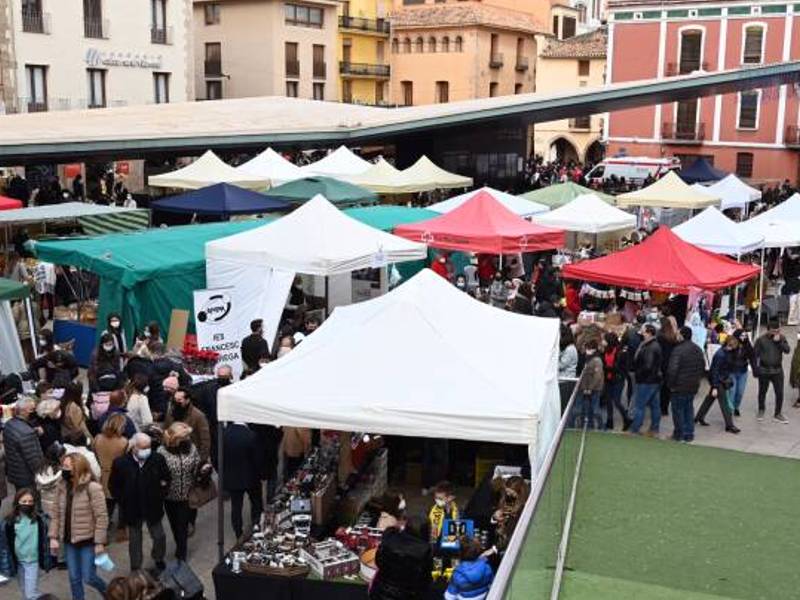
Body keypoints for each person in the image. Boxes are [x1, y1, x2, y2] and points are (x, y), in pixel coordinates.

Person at [49, 452, 109, 600]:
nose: (63, 469)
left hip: (88, 541)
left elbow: (101, 517)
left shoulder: (93, 488)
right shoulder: (61, 485)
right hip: (69, 541)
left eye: (67, 466)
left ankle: (111, 593)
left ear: (78, 468)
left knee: (89, 577)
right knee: (74, 578)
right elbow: (56, 512)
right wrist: (53, 536)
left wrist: (99, 542)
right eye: (63, 466)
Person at [109, 432, 170, 574]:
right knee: (135, 541)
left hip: (153, 507)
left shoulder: (157, 459)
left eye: (148, 447)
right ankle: (136, 567)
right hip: (132, 509)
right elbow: (113, 485)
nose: (146, 450)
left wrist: (160, 494)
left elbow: (166, 478)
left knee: (159, 536)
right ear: (134, 447)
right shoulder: (121, 463)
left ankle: (158, 558)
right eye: (143, 447)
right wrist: (123, 500)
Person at [157, 423, 201, 562]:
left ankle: (181, 555)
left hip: (186, 495)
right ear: (176, 438)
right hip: (169, 496)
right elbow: (157, 473)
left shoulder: (191, 448)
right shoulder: (161, 452)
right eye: (185, 436)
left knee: (182, 527)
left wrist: (202, 470)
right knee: (175, 526)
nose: (188, 438)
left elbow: (197, 464)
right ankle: (180, 546)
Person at [1, 488, 52, 600]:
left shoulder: (39, 520)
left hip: (32, 561)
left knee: (30, 594)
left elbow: (45, 540)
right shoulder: (10, 522)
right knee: (25, 592)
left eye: (30, 501)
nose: (27, 504)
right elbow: (5, 544)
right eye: (24, 501)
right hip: (18, 562)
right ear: (17, 502)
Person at [222, 423, 263, 540]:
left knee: (236, 507)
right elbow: (257, 458)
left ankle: (238, 533)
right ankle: (256, 527)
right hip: (251, 477)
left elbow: (217, 457)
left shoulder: (224, 434)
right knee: (256, 503)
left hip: (232, 477)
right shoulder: (251, 435)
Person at [665, 326, 707, 442]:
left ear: (682, 335)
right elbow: (702, 367)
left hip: (679, 385)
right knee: (688, 409)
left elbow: (672, 369)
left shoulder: (678, 350)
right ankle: (689, 433)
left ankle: (679, 434)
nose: (676, 336)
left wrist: (670, 384)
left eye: (678, 334)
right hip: (692, 385)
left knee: (678, 410)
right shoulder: (697, 349)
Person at [370, 526, 433, 600]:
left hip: (380, 593)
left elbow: (378, 562)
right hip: (404, 595)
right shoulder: (424, 550)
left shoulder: (390, 541)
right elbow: (426, 581)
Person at [696, 336, 740, 434]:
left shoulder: (725, 353)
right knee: (724, 403)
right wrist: (715, 386)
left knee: (709, 399)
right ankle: (729, 425)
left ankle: (698, 417)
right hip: (719, 381)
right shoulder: (721, 354)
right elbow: (715, 371)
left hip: (719, 380)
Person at [93, 414, 129, 530]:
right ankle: (121, 529)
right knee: (123, 505)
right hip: (118, 477)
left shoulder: (97, 438)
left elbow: (95, 455)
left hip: (102, 475)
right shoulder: (123, 442)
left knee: (106, 506)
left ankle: (104, 531)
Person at [753, 319, 791, 423]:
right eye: (774, 331)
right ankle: (761, 409)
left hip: (777, 370)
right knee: (762, 392)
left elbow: (787, 350)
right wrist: (755, 370)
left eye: (778, 330)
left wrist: (779, 342)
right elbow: (755, 355)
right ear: (768, 330)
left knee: (779, 393)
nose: (776, 333)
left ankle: (777, 413)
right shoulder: (761, 340)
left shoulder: (781, 338)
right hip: (764, 370)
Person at [629, 324, 662, 436]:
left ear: (648, 333)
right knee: (655, 406)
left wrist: (638, 374)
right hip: (654, 380)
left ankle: (635, 429)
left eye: (643, 331)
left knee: (639, 406)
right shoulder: (653, 345)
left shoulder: (649, 347)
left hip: (646, 381)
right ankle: (654, 429)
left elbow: (647, 366)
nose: (641, 333)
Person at [4, 397, 44, 489]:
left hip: (15, 472)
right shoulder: (27, 433)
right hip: (27, 477)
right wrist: (42, 473)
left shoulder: (9, 424)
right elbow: (34, 460)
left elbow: (18, 440)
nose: (33, 412)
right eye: (31, 410)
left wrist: (34, 433)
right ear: (22, 411)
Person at [164, 388, 211, 463]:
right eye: (175, 399)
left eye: (179, 400)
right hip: (172, 455)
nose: (176, 402)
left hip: (191, 457)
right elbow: (166, 430)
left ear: (187, 400)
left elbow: (205, 440)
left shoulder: (199, 416)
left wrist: (202, 460)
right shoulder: (171, 413)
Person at [602, 332, 631, 431]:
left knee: (616, 401)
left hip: (617, 379)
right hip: (608, 378)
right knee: (609, 400)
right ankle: (610, 421)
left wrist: (605, 368)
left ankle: (626, 419)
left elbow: (619, 367)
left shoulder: (620, 352)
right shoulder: (605, 350)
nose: (603, 341)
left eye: (604, 340)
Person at [578, 339, 604, 429]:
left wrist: (590, 388)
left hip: (595, 389)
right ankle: (590, 426)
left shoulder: (596, 360)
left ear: (593, 349)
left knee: (595, 409)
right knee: (589, 409)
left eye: (587, 349)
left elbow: (597, 376)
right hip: (588, 388)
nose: (586, 351)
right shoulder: (589, 359)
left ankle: (601, 426)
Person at [729, 329, 754, 417]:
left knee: (740, 392)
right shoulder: (731, 344)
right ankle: (730, 410)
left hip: (743, 372)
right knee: (732, 391)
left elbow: (752, 357)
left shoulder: (747, 345)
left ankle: (736, 407)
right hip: (731, 371)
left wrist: (755, 370)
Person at [657, 316, 679, 416]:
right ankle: (664, 408)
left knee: (659, 386)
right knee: (667, 387)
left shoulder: (660, 336)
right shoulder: (674, 337)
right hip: (670, 364)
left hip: (661, 363)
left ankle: (658, 406)